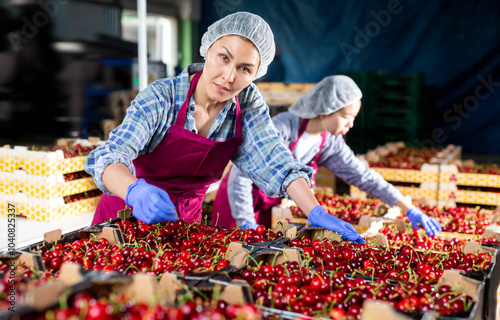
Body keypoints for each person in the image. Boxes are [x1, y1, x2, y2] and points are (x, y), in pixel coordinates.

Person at [84, 12, 365, 244]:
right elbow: (111, 156)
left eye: (245, 69)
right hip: (124, 217)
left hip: (183, 223)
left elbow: (275, 160)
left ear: (257, 74)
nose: (228, 77)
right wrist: (135, 191)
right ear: (208, 50)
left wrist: (315, 210)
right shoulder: (162, 97)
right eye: (224, 57)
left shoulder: (247, 104)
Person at [212, 75, 442, 237]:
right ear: (324, 109)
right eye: (345, 115)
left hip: (271, 209)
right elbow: (240, 178)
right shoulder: (282, 128)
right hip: (238, 204)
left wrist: (407, 207)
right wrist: (245, 222)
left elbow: (363, 177)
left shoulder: (329, 142)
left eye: (353, 117)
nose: (350, 124)